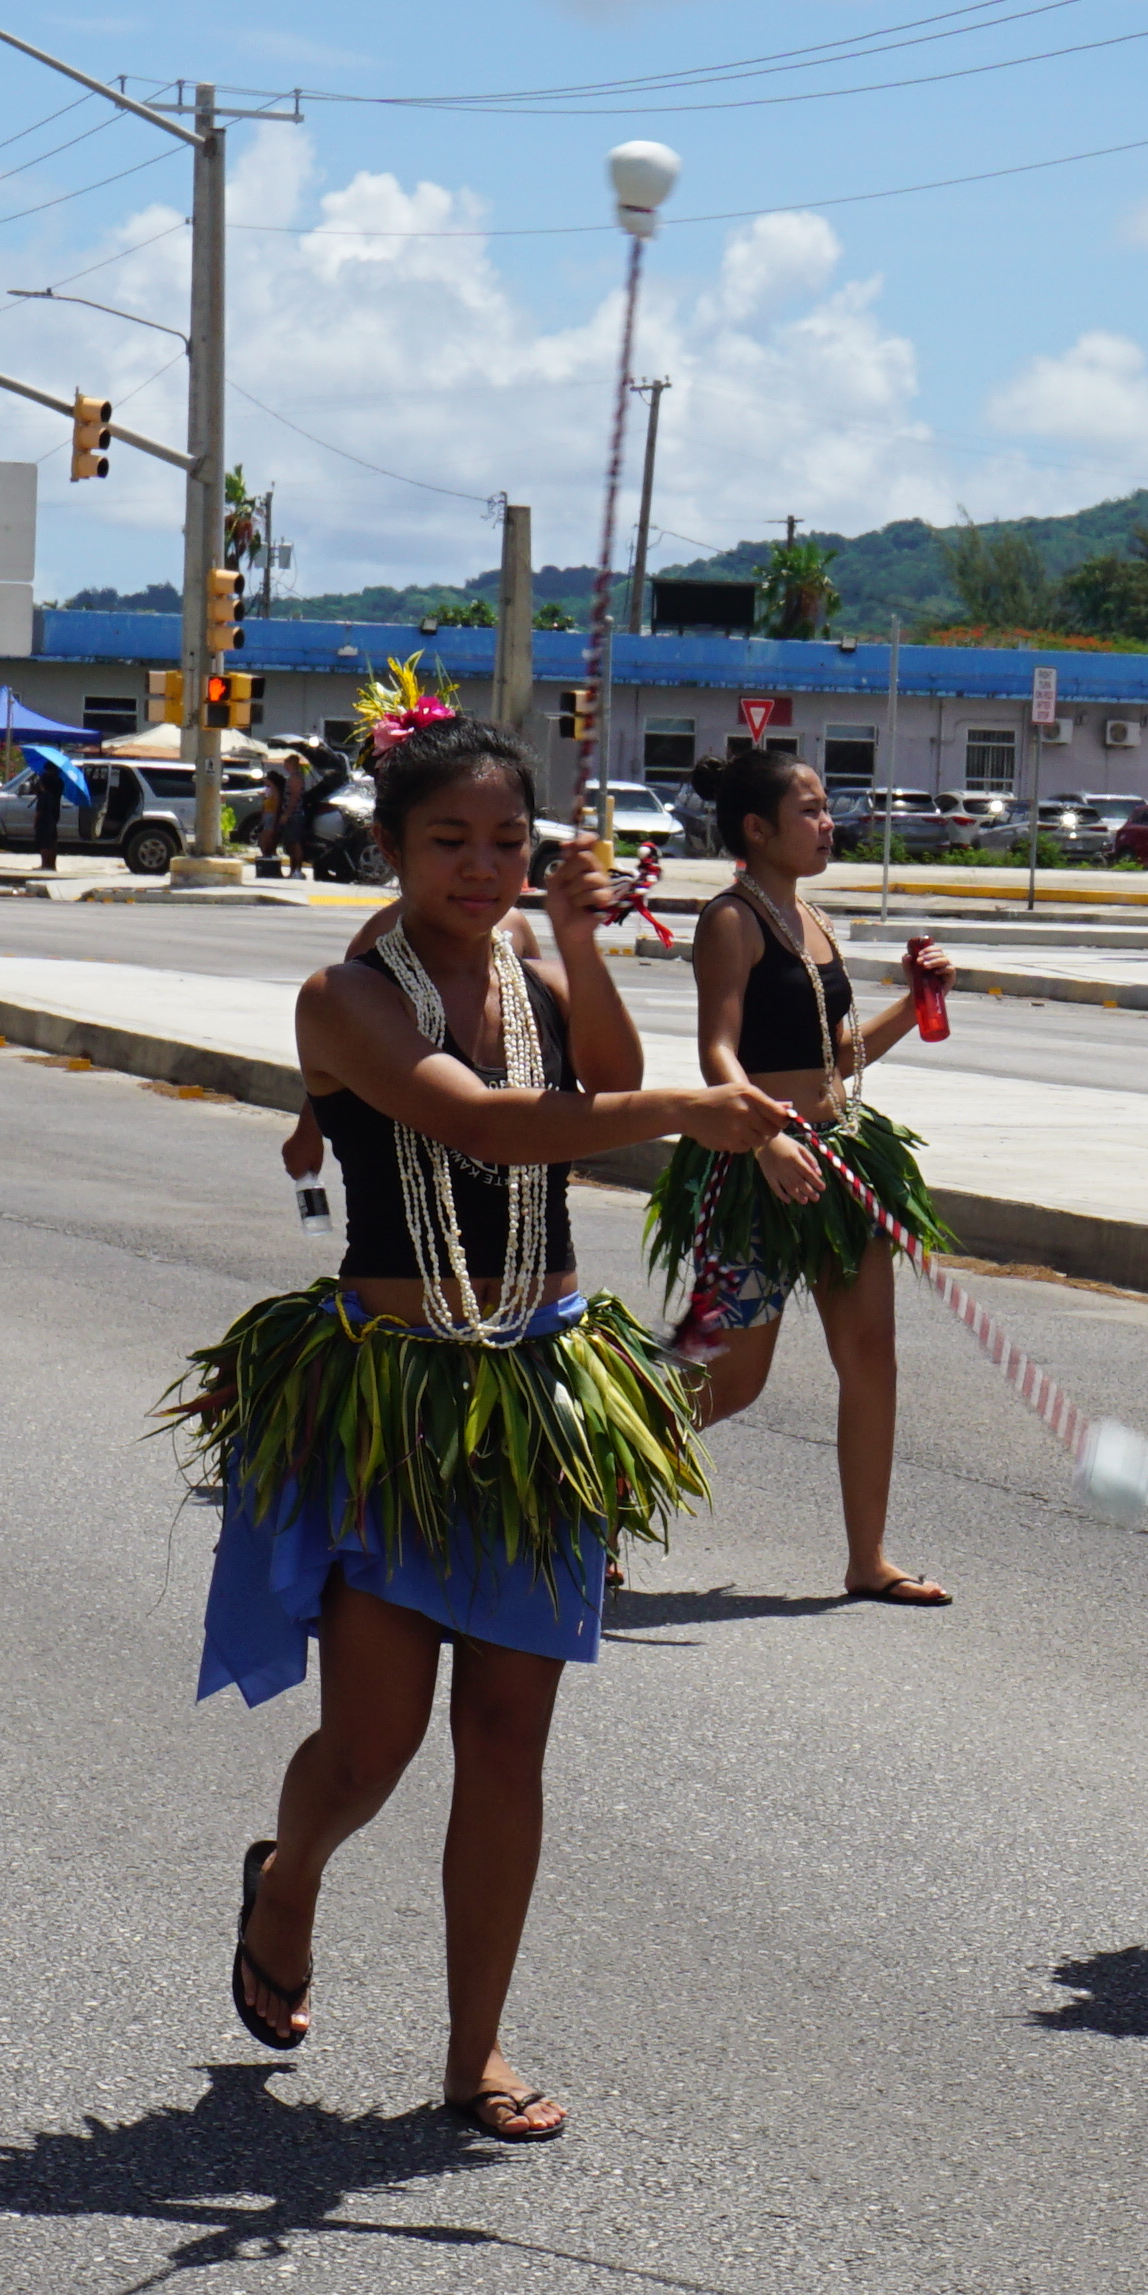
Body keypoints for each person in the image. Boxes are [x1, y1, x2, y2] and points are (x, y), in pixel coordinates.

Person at [177, 713, 804, 2144]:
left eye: (507, 841)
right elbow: (493, 1128)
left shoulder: (528, 964)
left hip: (539, 1391)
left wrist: (582, 947)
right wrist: (695, 1107)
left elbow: (588, 1073)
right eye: (448, 840)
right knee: (375, 1745)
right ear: (388, 848)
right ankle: (289, 1879)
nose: (481, 866)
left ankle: (475, 2056)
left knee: (509, 1736)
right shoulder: (345, 997)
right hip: (401, 1403)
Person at [652, 740, 954, 1606]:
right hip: (758, 1168)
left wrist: (913, 1000)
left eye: (828, 809)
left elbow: (834, 1060)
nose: (830, 824)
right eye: (812, 811)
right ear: (758, 828)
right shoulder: (732, 919)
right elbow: (717, 1052)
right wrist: (763, 1140)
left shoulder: (811, 921)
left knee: (872, 1358)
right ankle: (590, 1499)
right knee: (728, 1375)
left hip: (837, 1166)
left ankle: (868, 1560)